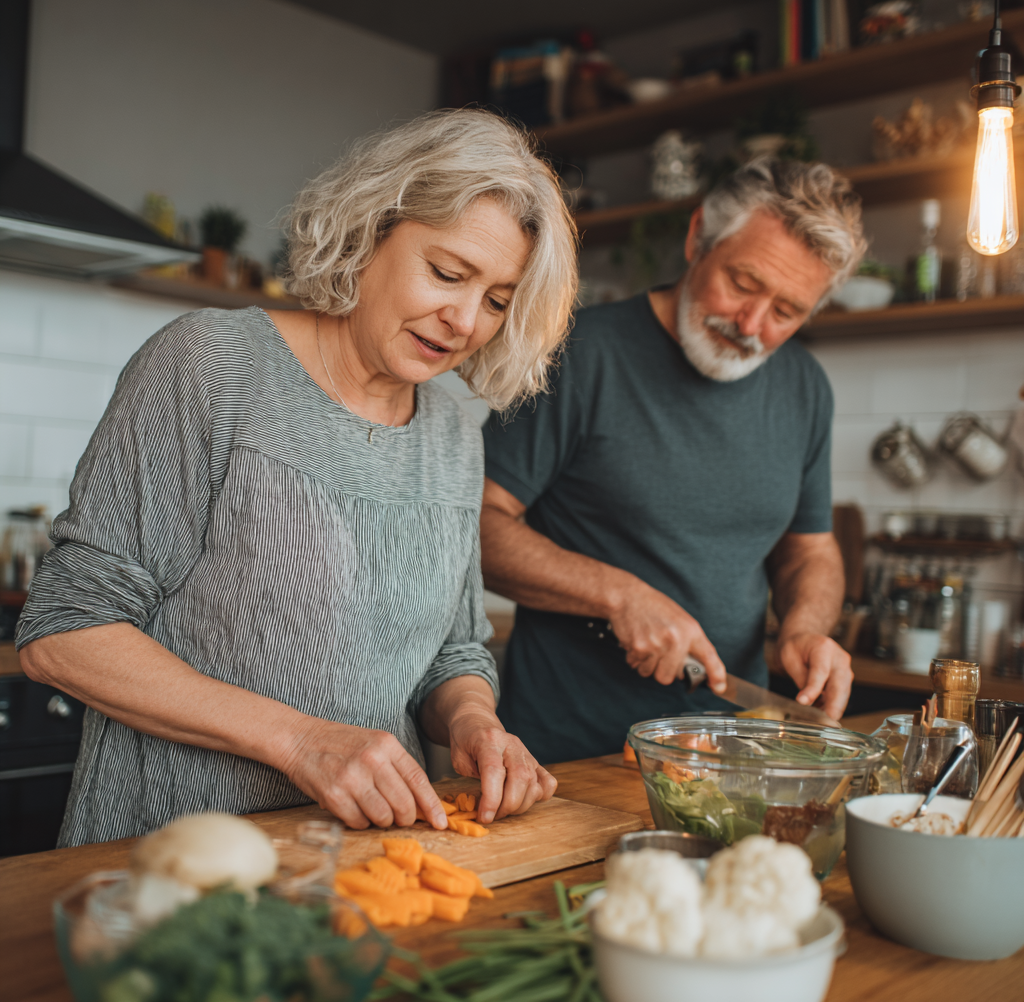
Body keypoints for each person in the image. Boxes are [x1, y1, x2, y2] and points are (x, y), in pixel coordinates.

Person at [17, 109, 577, 846]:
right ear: (371, 230)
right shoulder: (212, 366)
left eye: (498, 301)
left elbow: (452, 650)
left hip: (368, 859)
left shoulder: (449, 432)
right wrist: (300, 741)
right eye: (447, 273)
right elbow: (65, 632)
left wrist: (474, 720)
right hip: (173, 854)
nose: (465, 318)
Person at [480, 157, 867, 765]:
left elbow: (811, 549)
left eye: (786, 312)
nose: (752, 325)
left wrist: (806, 627)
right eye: (742, 283)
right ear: (697, 239)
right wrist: (617, 595)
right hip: (567, 753)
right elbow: (475, 525)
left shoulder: (806, 387)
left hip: (725, 749)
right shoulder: (578, 354)